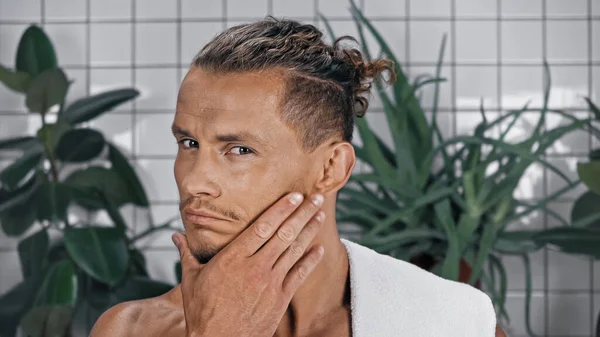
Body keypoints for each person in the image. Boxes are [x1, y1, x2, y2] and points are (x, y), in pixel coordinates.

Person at [90, 17, 507, 337]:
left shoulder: (453, 323)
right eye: (189, 144)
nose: (194, 182)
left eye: (239, 150)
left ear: (331, 169)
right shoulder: (131, 329)